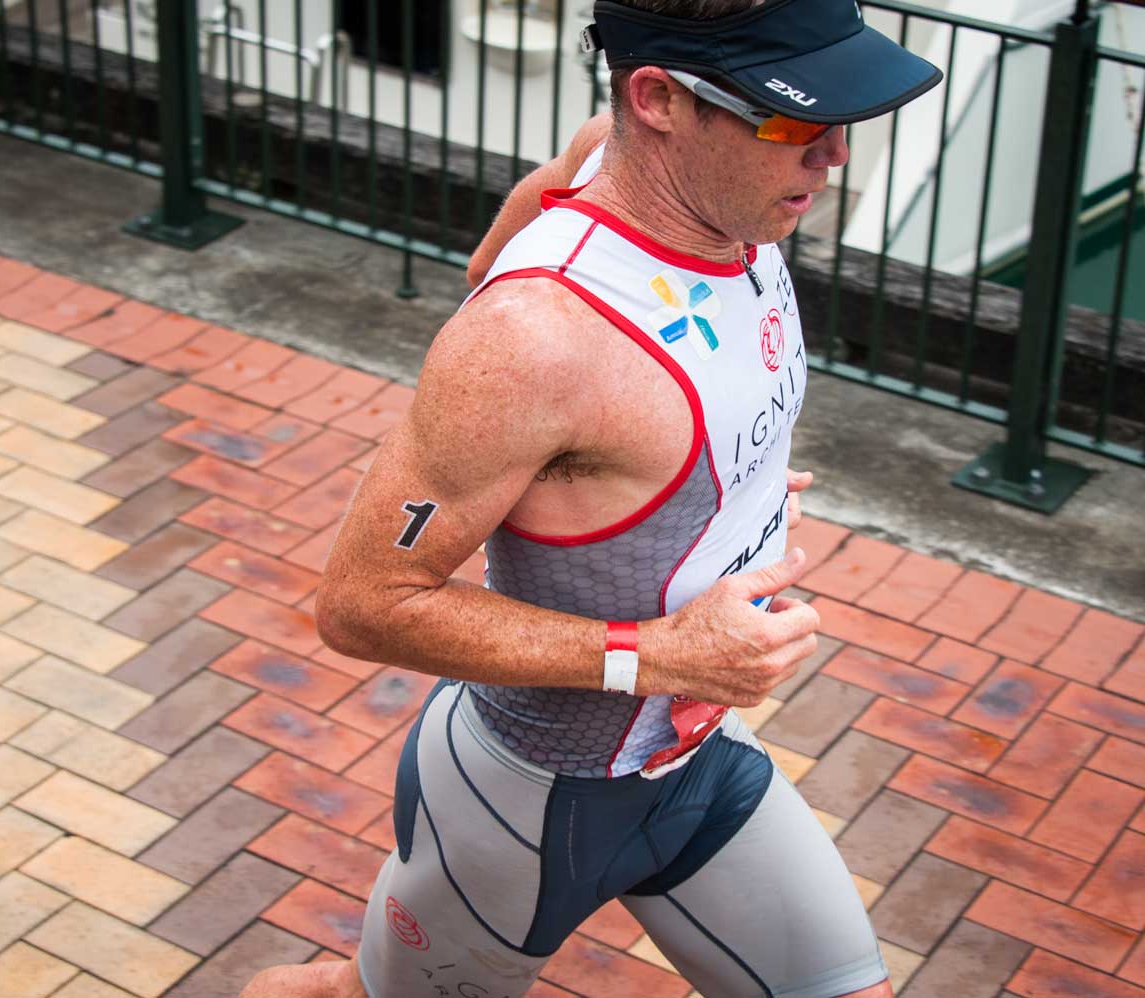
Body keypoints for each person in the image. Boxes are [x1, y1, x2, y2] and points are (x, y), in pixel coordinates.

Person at [244, 0, 941, 995]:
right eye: (794, 122)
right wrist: (654, 652)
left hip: (694, 762)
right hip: (528, 804)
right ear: (658, 97)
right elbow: (361, 603)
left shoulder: (694, 184)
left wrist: (694, 487)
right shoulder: (532, 340)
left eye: (844, 118)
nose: (831, 156)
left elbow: (510, 241)